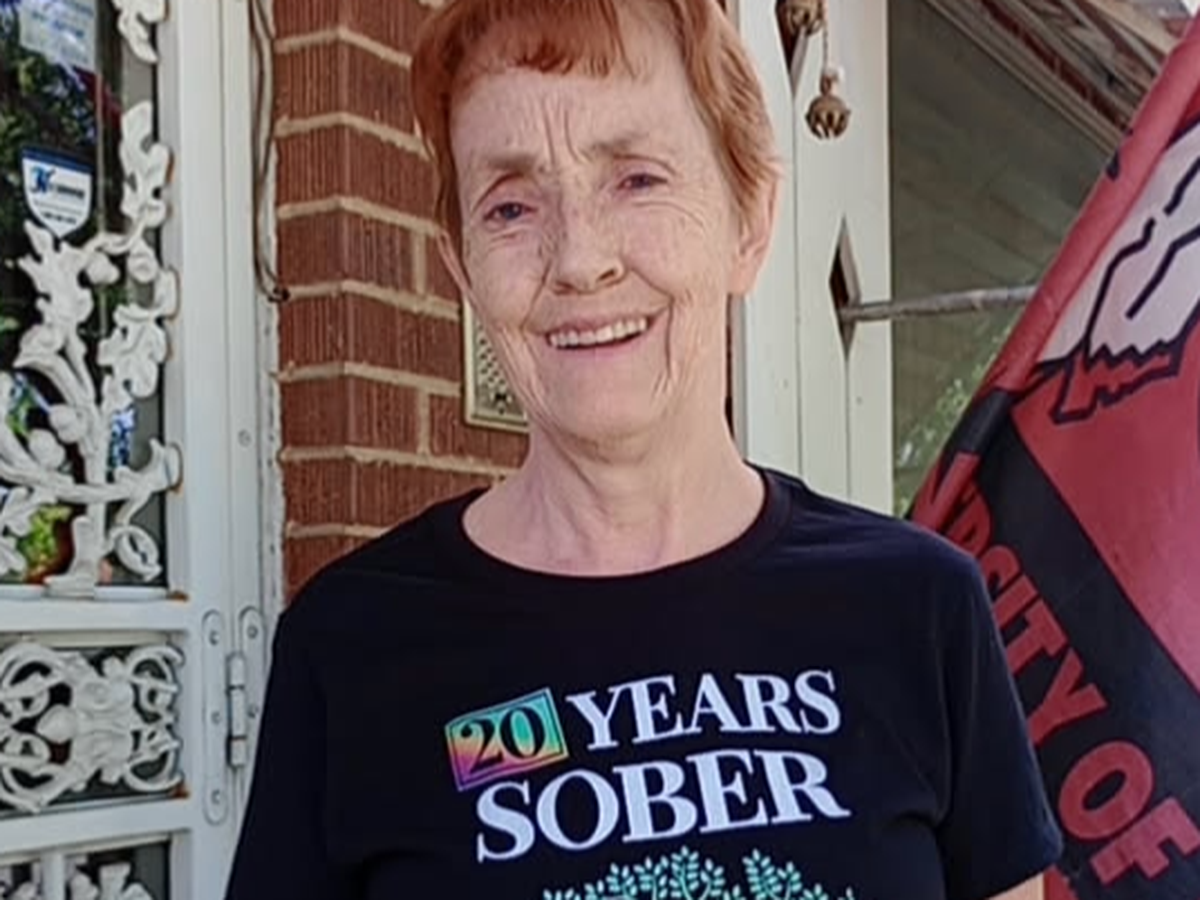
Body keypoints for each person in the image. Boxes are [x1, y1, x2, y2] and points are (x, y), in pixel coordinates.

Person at [225, 1, 1062, 897]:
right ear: (464, 268)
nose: (579, 260)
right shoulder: (353, 644)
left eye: (636, 178)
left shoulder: (918, 609)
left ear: (749, 221)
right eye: (511, 206)